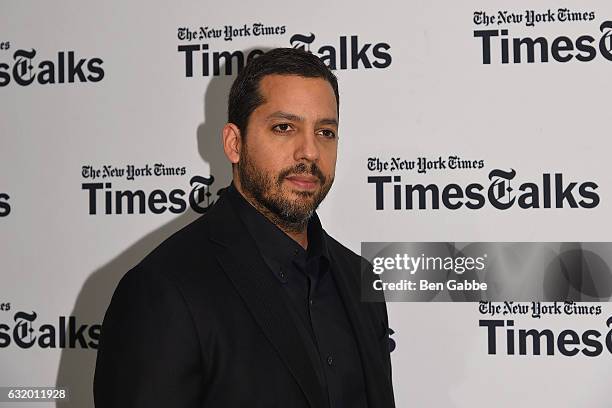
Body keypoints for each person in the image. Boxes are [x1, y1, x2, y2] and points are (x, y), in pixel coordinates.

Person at [93, 47, 395, 408]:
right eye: (284, 128)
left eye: (325, 132)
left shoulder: (358, 277)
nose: (310, 152)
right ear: (234, 143)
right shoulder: (163, 290)